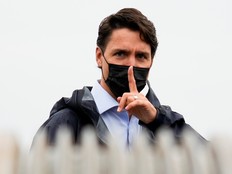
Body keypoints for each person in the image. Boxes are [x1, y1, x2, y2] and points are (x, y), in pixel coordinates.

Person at [33, 8, 205, 148]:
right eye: (120, 54)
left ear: (151, 62)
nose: (131, 65)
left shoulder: (162, 121)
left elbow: (216, 161)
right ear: (99, 56)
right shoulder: (66, 123)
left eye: (141, 56)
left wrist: (156, 121)